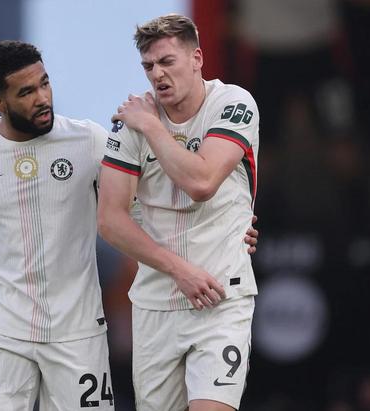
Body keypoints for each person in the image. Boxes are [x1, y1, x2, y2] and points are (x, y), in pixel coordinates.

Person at [0, 39, 260, 410]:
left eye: (45, 83)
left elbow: (146, 213)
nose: (42, 98)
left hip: (79, 336)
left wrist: (223, 227)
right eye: (26, 92)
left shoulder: (89, 140)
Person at [97, 14, 260, 411]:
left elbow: (202, 183)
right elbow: (110, 220)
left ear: (196, 58)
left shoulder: (232, 103)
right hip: (156, 304)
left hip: (222, 296)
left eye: (167, 61)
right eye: (149, 66)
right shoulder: (129, 124)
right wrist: (179, 270)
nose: (158, 74)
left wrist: (153, 128)